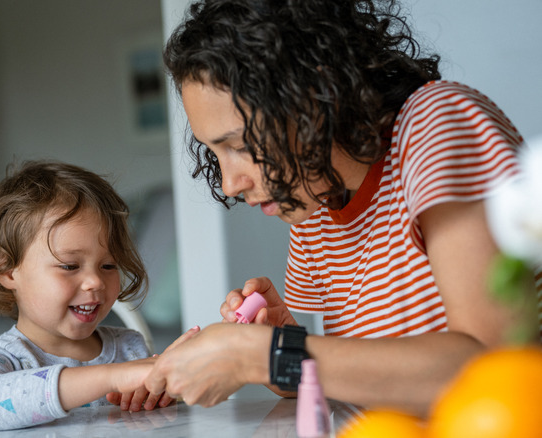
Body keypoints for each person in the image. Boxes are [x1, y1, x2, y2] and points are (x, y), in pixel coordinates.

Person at [144, 0, 540, 418]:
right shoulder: (316, 202)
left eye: (241, 145)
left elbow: (491, 366)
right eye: (215, 152)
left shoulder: (437, 123)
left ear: (313, 95)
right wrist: (284, 348)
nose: (228, 183)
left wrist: (265, 354)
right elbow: (366, 380)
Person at [0, 161, 174, 430]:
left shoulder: (129, 348)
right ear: (7, 270)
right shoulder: (1, 359)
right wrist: (111, 377)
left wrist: (162, 393)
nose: (95, 281)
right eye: (70, 266)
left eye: (109, 266)